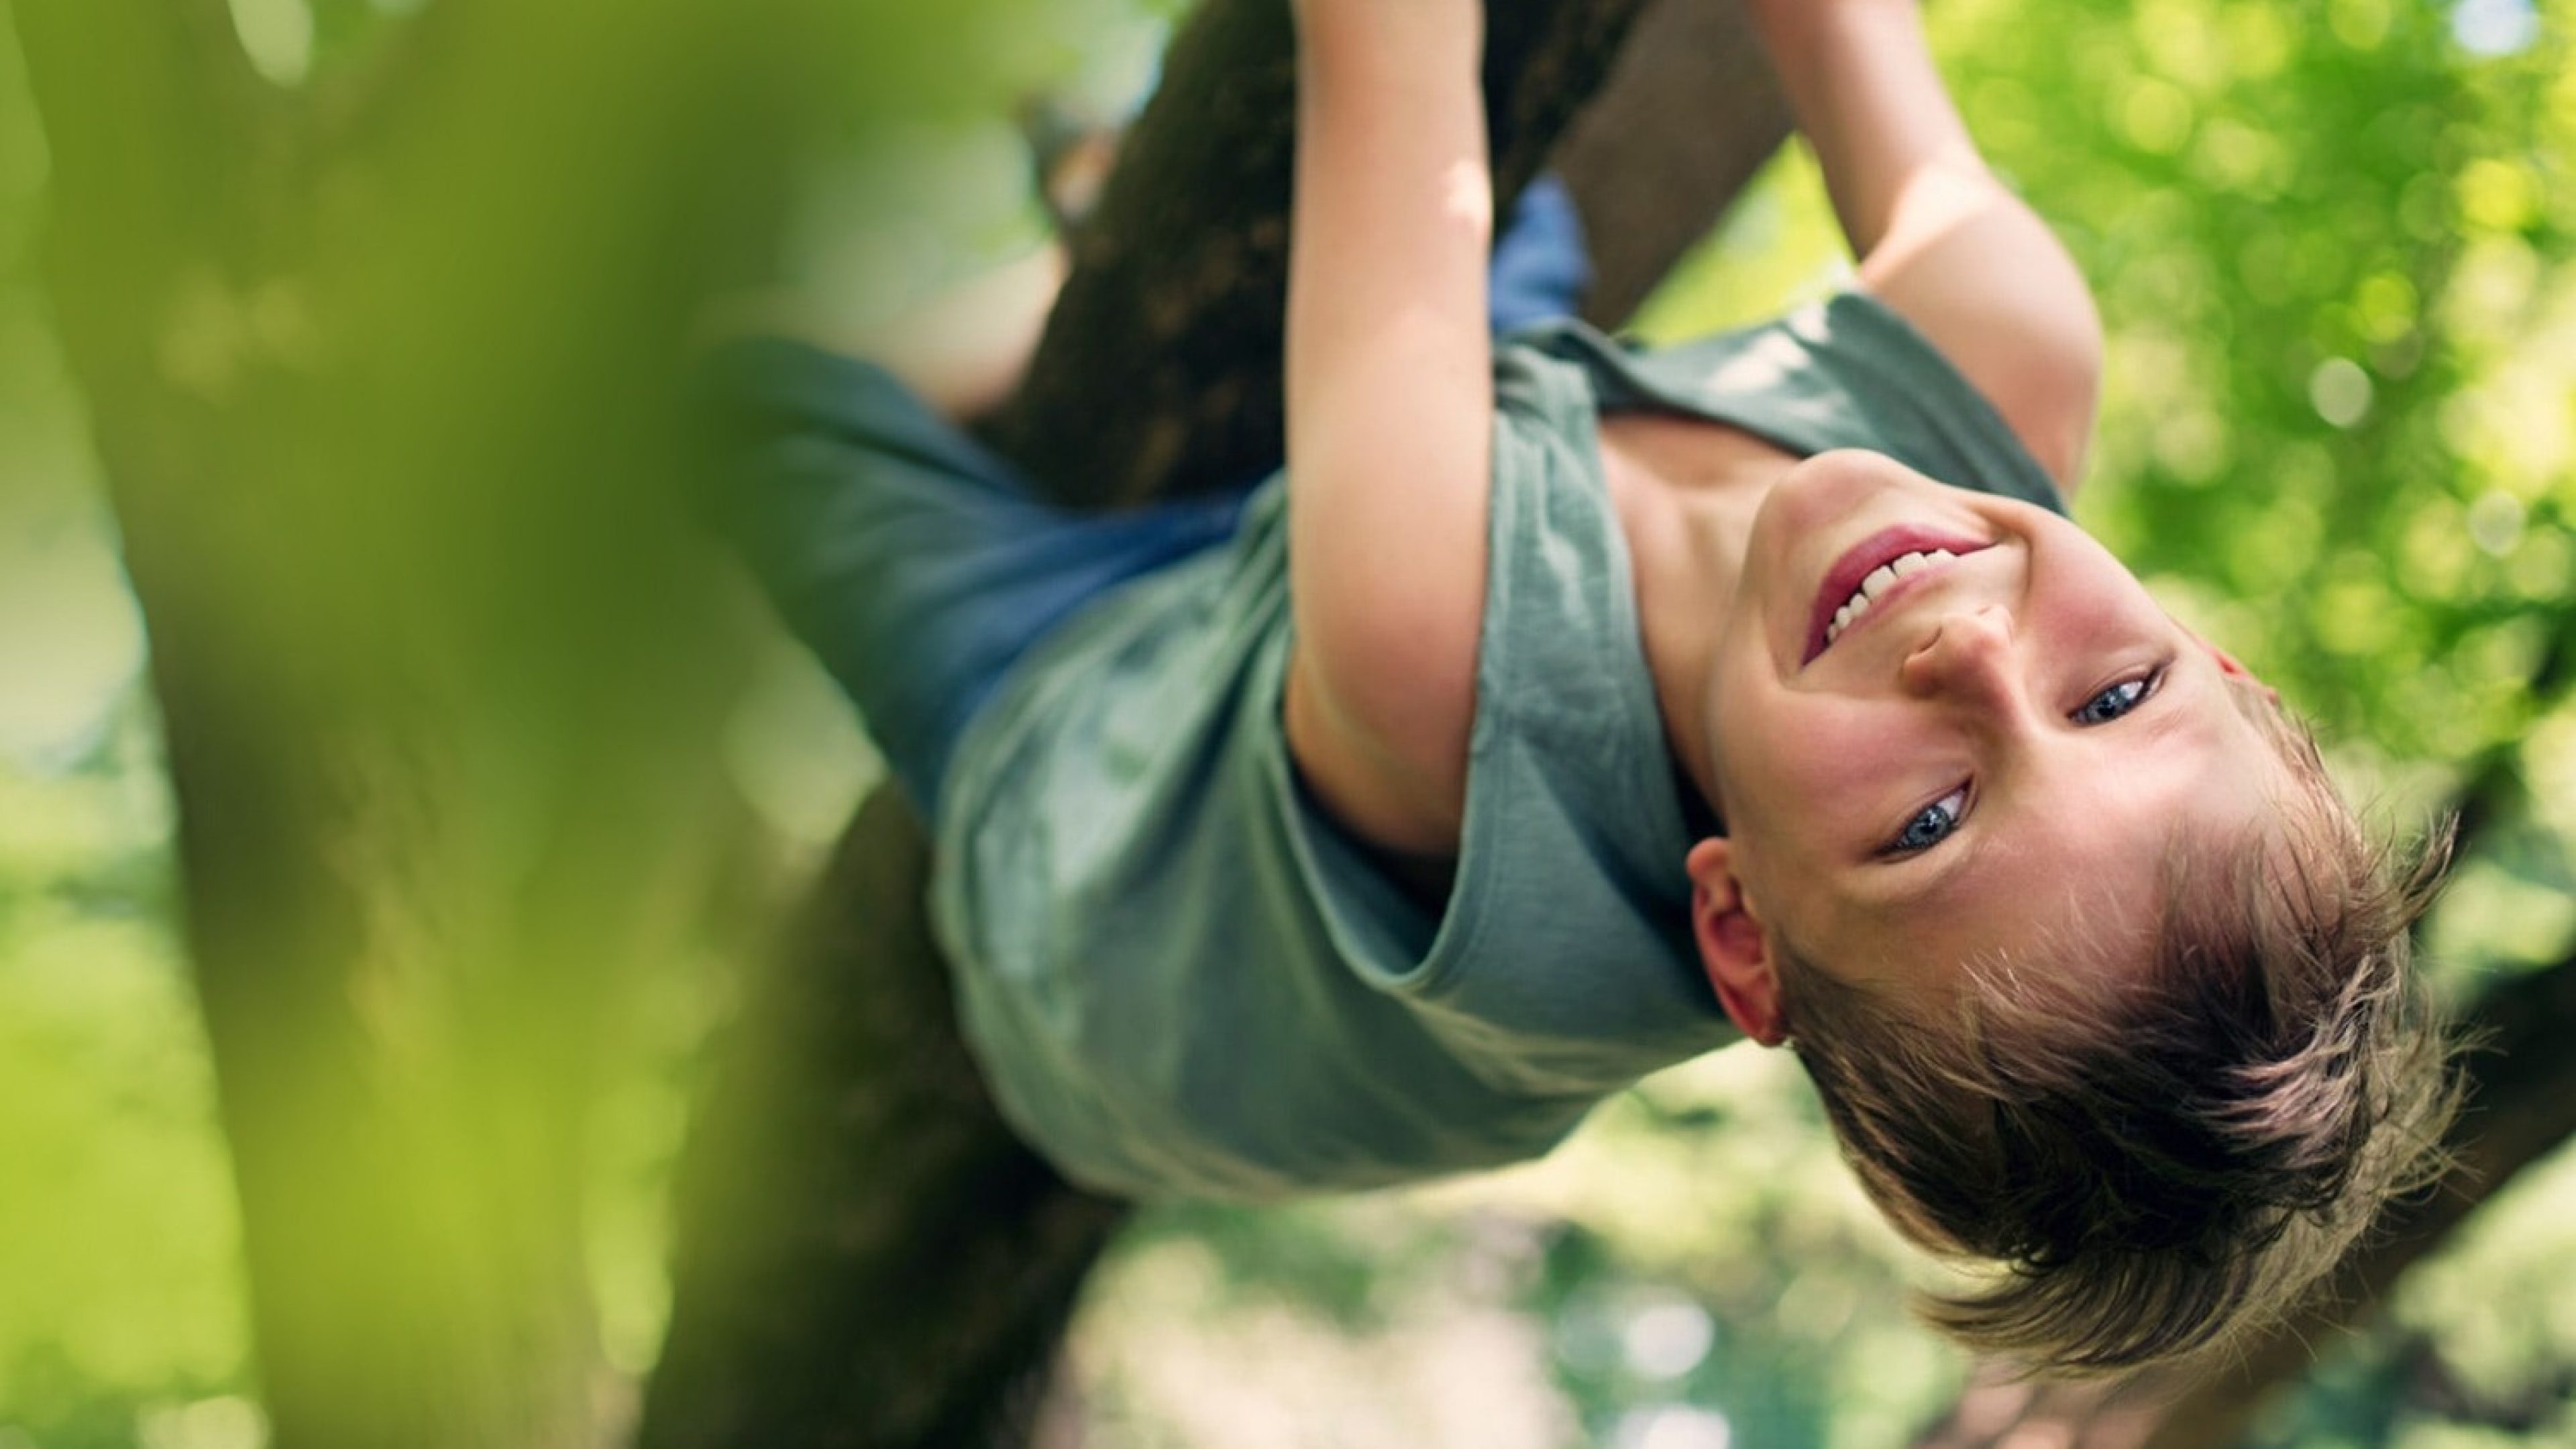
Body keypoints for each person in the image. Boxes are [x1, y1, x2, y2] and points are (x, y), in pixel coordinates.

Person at [702, 0, 2459, 1377]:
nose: (1976, 656)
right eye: (2119, 697)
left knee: (741, 388)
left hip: (1109, 857)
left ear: (1742, 934)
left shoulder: (1439, 661)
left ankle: (1076, 284)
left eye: (1929, 822)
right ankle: (1210, 297)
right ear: (2229, 671)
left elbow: (1379, 32)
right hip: (1399, 523)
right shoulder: (2002, 359)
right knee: (1479, 210)